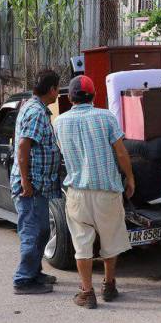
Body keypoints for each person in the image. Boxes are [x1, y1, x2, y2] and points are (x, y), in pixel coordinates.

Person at [54, 75, 135, 309]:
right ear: (94, 95)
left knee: (82, 244)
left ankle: (86, 292)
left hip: (77, 193)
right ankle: (109, 285)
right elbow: (121, 152)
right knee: (110, 240)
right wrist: (130, 178)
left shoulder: (60, 122)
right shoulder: (106, 116)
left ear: (70, 98)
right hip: (107, 191)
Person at [10, 69, 62, 295]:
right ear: (52, 90)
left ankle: (34, 272)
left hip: (39, 185)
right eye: (58, 89)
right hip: (30, 186)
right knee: (32, 232)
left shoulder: (35, 108)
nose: (58, 93)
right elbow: (23, 147)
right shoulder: (36, 112)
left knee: (41, 230)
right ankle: (23, 280)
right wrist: (25, 181)